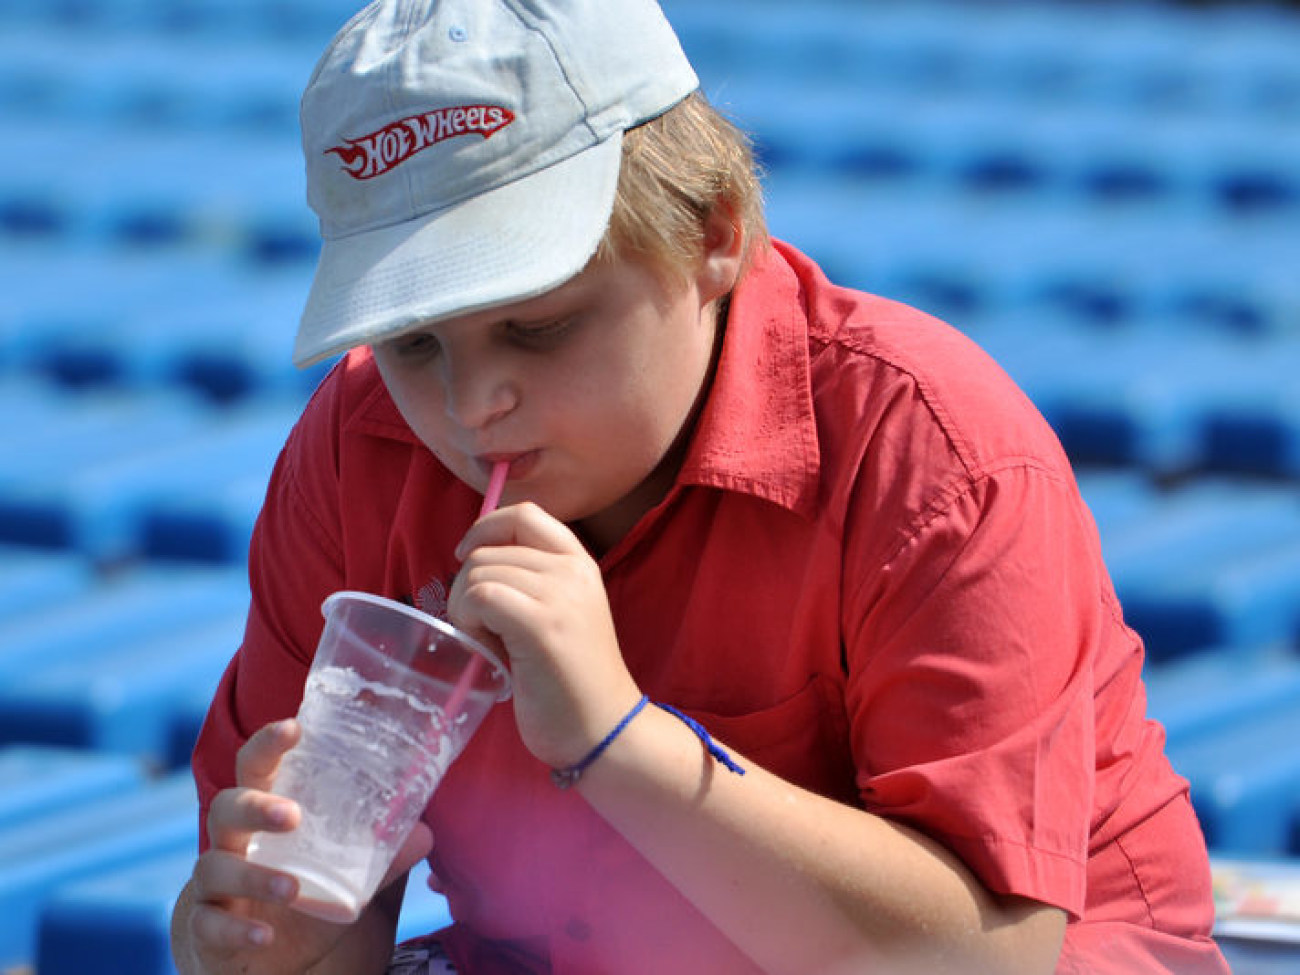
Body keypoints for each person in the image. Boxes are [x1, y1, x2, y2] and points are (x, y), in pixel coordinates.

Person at [169, 1, 1232, 973]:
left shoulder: (926, 449)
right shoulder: (361, 448)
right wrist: (281, 939)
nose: (471, 401)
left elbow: (986, 961)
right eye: (411, 344)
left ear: (713, 234)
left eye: (535, 325)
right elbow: (273, 922)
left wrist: (615, 739)